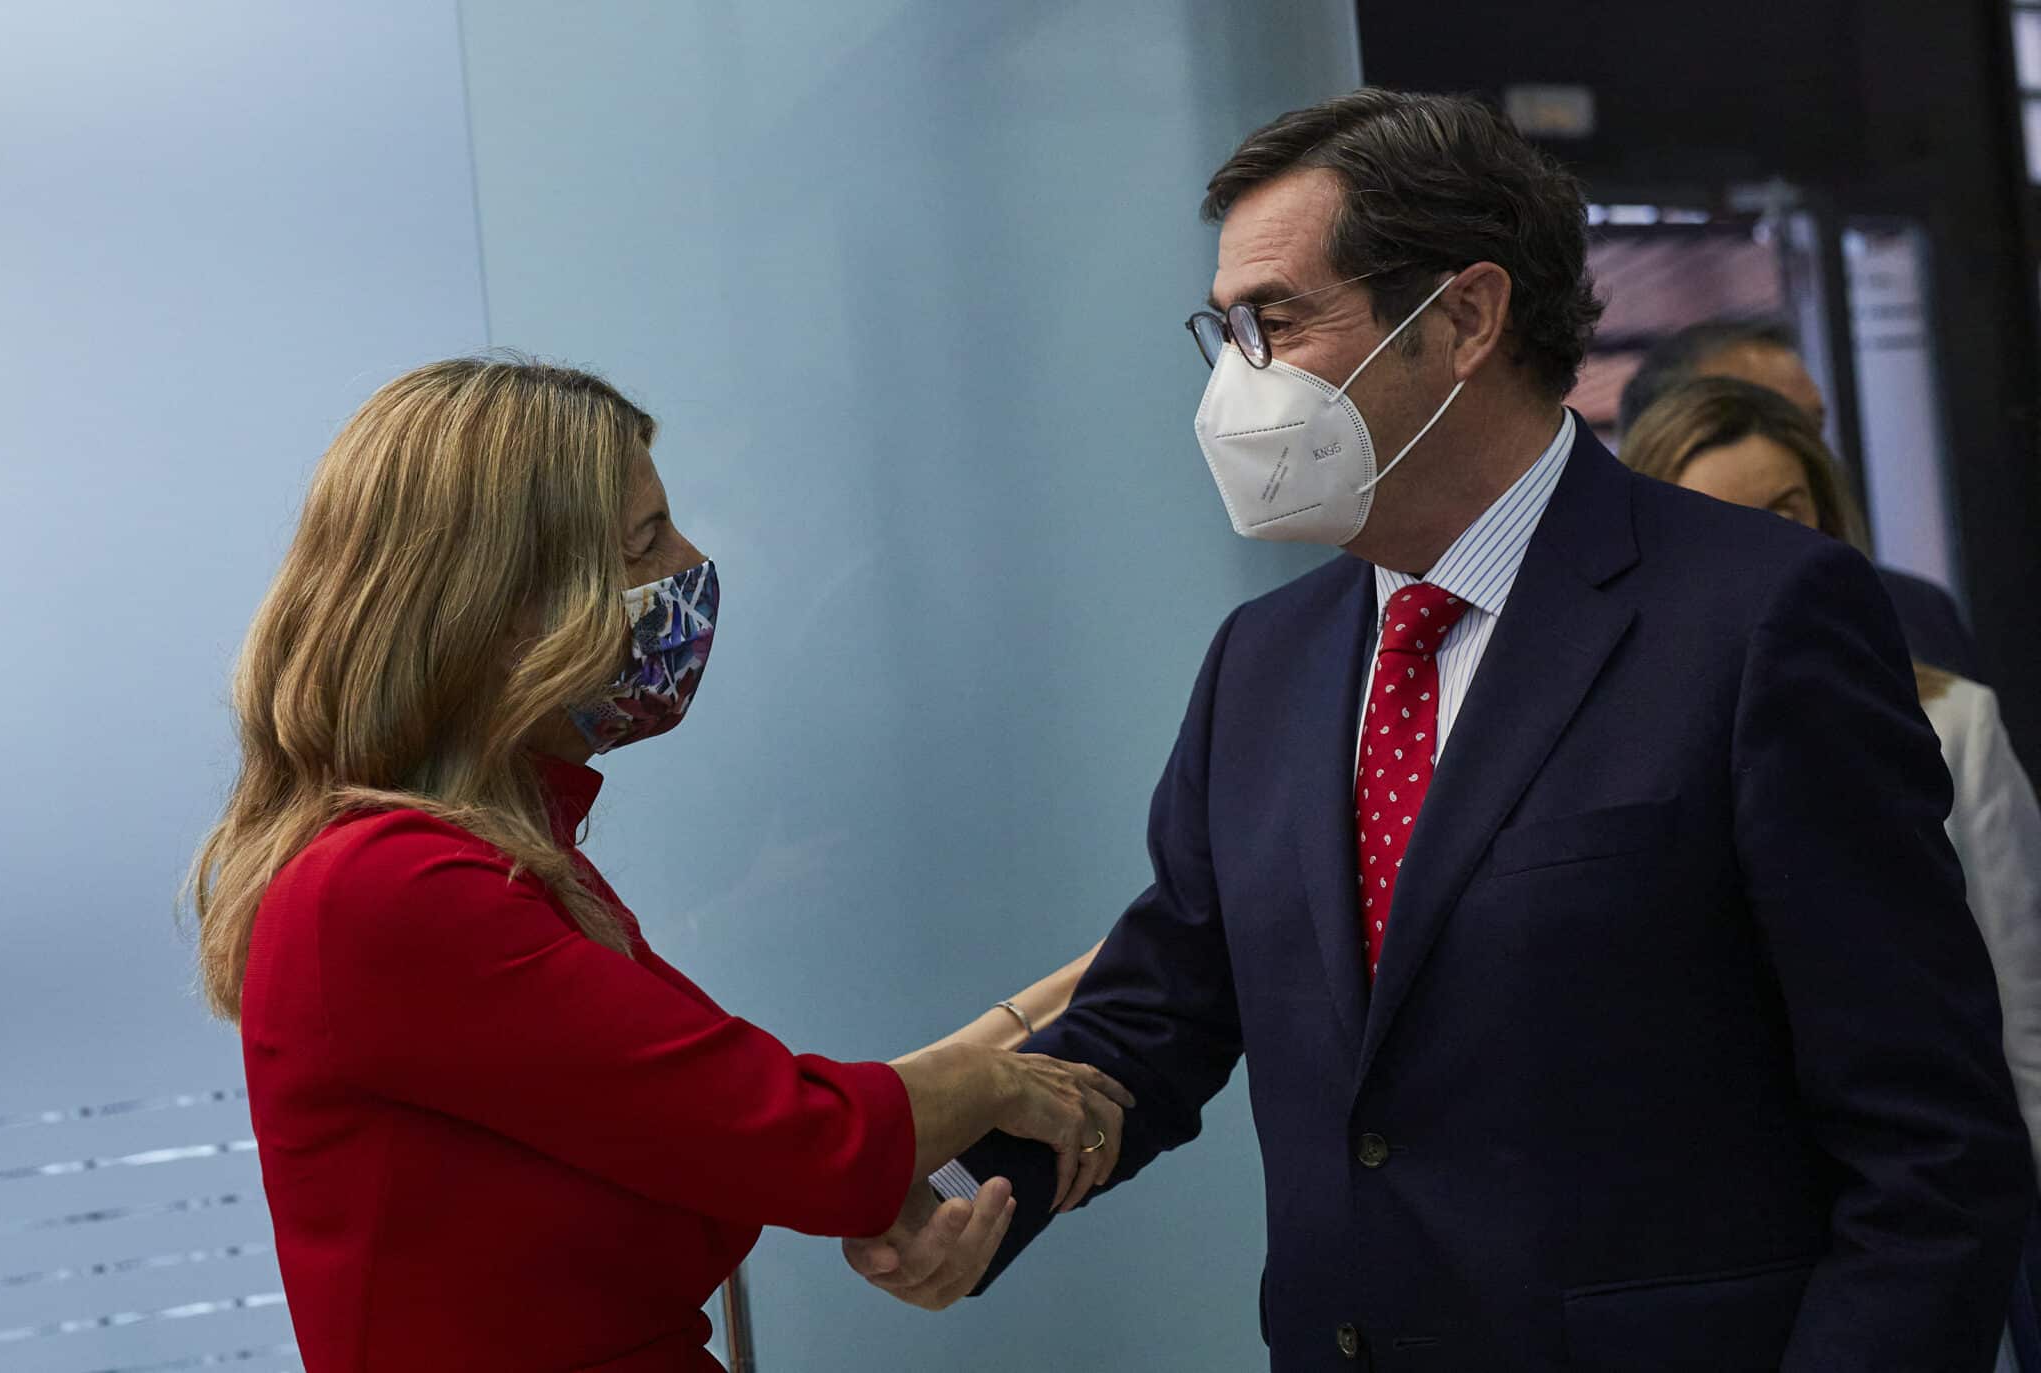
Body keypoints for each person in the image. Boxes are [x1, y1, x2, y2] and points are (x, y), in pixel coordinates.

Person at [844, 89, 2033, 1369]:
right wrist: (966, 1188)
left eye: (1275, 323)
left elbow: (1928, 1143)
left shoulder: (1754, 618)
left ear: (1462, 316)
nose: (1233, 384)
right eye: (1222, 332)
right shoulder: (1264, 661)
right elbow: (1166, 1004)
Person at [186, 357, 1133, 1372]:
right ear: (503, 605)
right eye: (645, 541)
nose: (688, 562)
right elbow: (782, 1131)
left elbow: (728, 1122)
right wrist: (970, 1093)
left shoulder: (490, 855)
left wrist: (919, 1134)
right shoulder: (391, 887)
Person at [1621, 375, 2041, 1181]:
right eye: (1723, 521)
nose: (1764, 546)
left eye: (1786, 509)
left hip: (1931, 1181)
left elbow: (2019, 1001)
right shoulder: (1620, 747)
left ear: (1828, 517)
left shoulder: (1956, 720)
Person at [1617, 317, 1981, 677]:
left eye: (1813, 425)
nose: (1806, 448)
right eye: (1741, 419)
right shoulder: (1603, 658)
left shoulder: (1917, 615)